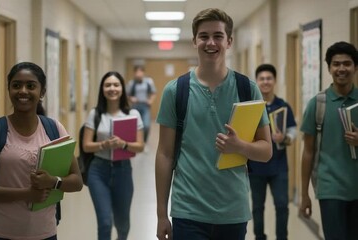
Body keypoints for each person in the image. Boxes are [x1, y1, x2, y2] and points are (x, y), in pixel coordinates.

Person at [155, 8, 272, 240]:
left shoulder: (247, 89)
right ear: (194, 41)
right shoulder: (175, 91)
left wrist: (240, 147)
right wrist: (161, 215)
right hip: (188, 210)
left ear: (229, 41)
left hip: (233, 212)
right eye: (204, 36)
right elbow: (165, 154)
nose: (210, 42)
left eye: (218, 36)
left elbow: (266, 151)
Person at [0, 62, 83, 240]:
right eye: (16, 85)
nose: (23, 91)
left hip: (45, 233)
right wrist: (27, 194)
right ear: (9, 90)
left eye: (30, 86)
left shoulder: (54, 129)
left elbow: (77, 182)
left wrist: (53, 181)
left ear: (42, 92)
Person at [300, 41, 358, 240]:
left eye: (347, 63)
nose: (341, 68)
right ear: (329, 68)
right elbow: (308, 151)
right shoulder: (318, 103)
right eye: (336, 64)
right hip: (329, 188)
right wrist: (304, 194)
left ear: (355, 67)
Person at [82, 71, 145, 240]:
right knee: (105, 222)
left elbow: (140, 146)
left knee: (123, 225)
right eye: (108, 85)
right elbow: (86, 146)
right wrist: (104, 144)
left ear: (122, 89)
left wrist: (123, 144)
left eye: (116, 85)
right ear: (102, 89)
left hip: (123, 171)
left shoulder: (133, 115)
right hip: (98, 171)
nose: (112, 88)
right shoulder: (95, 114)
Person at [248, 64, 297, 240]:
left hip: (279, 167)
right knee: (257, 207)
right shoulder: (250, 107)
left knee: (282, 205)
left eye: (269, 78)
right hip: (256, 167)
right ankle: (259, 236)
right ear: (257, 81)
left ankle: (281, 237)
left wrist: (284, 138)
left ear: (274, 81)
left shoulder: (283, 106)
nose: (265, 82)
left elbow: (293, 131)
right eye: (262, 79)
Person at [126, 65, 157, 143]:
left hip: (145, 106)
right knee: (133, 126)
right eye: (137, 72)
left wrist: (150, 100)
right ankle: (134, 142)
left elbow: (153, 93)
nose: (138, 73)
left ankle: (144, 142)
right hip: (135, 106)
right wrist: (131, 98)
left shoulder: (148, 81)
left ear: (143, 72)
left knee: (146, 126)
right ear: (134, 73)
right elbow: (127, 95)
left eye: (140, 71)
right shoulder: (131, 83)